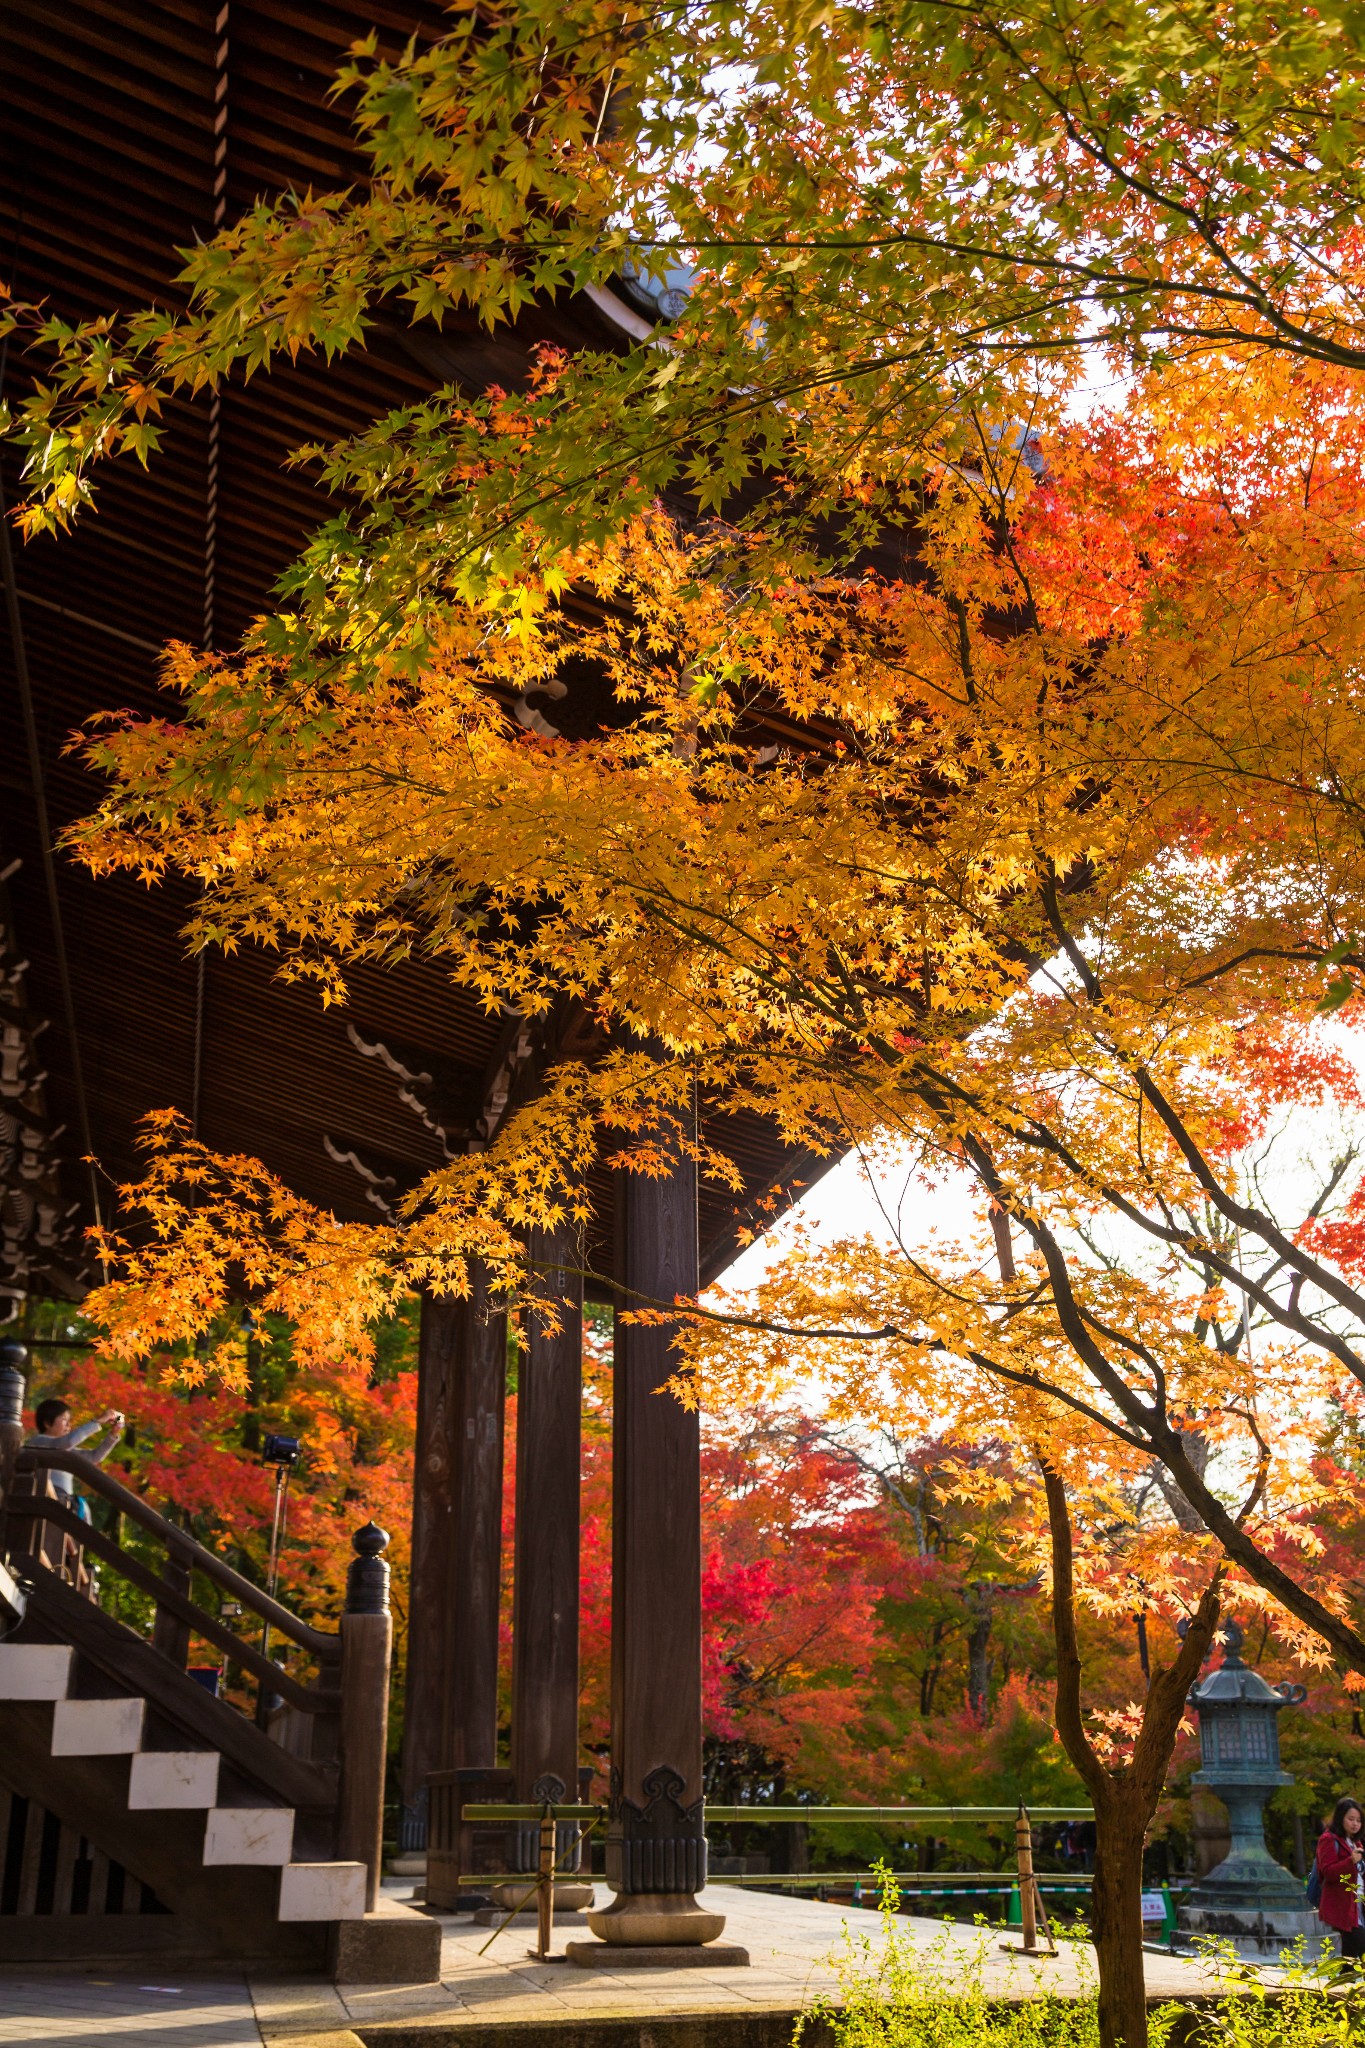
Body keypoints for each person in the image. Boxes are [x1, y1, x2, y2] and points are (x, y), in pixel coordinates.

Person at [27, 1398, 124, 1522]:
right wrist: (97, 1421)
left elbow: (93, 1457)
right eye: (63, 1419)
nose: (68, 1425)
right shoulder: (39, 1441)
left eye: (69, 1420)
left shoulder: (63, 1447)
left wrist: (112, 1435)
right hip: (50, 1500)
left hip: (65, 1501)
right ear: (47, 1423)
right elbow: (67, 1442)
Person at [1315, 1796, 1365, 1960]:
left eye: (1358, 1820)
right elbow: (1328, 1872)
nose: (1355, 1823)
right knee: (1359, 1948)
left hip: (1359, 1905)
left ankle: (1344, 1982)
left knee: (1350, 1956)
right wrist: (1350, 1861)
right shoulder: (1328, 1840)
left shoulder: (1356, 1843)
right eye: (1351, 1819)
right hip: (1344, 1907)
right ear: (1340, 1818)